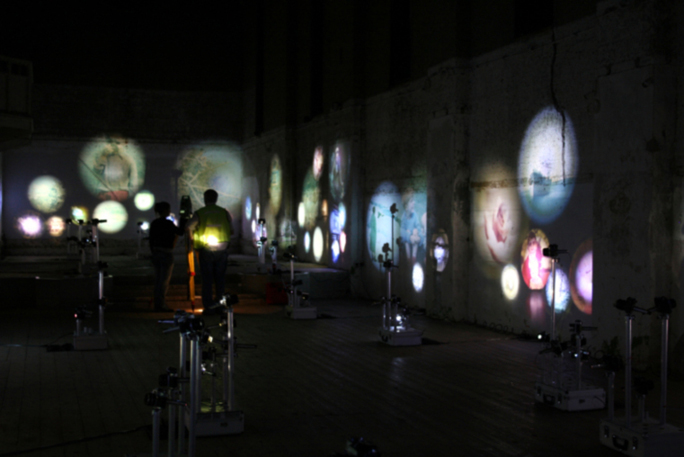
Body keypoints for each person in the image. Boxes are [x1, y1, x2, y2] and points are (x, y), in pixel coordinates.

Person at [185, 189, 233, 313]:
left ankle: (209, 306)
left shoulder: (200, 213)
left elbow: (188, 227)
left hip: (206, 249)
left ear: (205, 199)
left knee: (207, 279)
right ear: (216, 199)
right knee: (220, 279)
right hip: (222, 248)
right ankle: (221, 305)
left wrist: (192, 238)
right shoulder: (224, 212)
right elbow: (231, 229)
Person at [149, 201, 183, 312]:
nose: (169, 211)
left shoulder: (154, 223)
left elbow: (151, 240)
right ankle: (161, 305)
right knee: (164, 281)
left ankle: (157, 303)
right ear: (165, 211)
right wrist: (183, 220)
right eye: (168, 209)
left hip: (156, 253)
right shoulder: (168, 223)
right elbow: (180, 232)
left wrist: (153, 252)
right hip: (166, 253)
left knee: (158, 279)